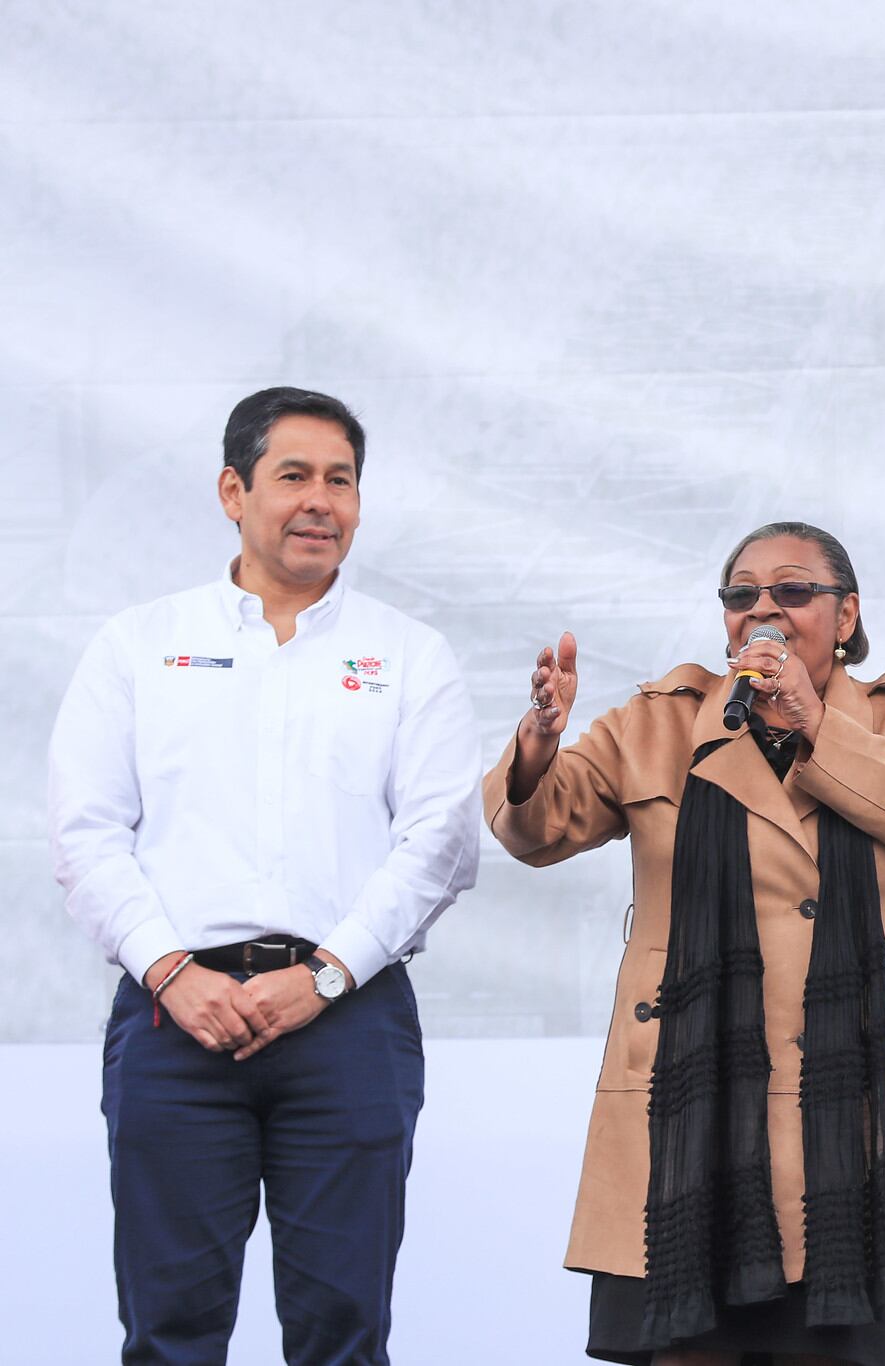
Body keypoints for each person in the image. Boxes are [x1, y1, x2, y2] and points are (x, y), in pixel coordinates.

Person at [48, 387, 483, 1365]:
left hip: (348, 1019)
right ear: (232, 490)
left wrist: (324, 974)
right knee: (170, 1334)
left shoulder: (408, 655)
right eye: (293, 476)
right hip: (173, 1020)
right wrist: (170, 971)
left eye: (341, 479)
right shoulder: (138, 645)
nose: (319, 500)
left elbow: (441, 843)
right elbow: (85, 834)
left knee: (344, 1333)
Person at [484, 521, 885, 1366]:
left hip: (839, 1117)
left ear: (847, 615)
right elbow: (538, 827)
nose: (764, 610)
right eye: (741, 595)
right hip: (690, 1119)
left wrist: (816, 720)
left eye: (792, 592)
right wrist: (538, 740)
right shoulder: (661, 722)